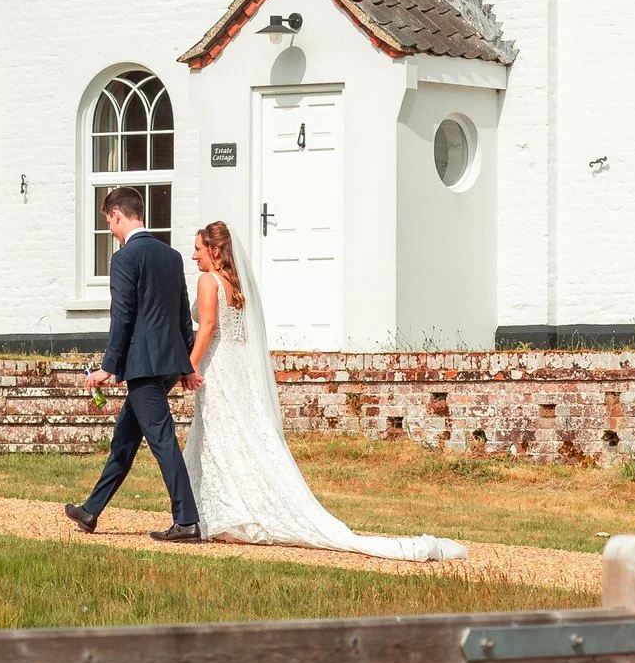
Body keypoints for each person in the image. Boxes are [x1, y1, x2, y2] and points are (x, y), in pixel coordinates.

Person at [180, 220, 464, 562]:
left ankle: (231, 511)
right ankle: (232, 508)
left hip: (220, 367)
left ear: (213, 250)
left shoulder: (208, 280)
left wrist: (191, 364)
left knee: (223, 436)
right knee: (239, 436)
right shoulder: (235, 283)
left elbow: (208, 325)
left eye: (198, 249)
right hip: (238, 370)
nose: (194, 256)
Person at [66, 186, 201, 541]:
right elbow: (182, 315)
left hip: (144, 365)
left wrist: (108, 367)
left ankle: (186, 521)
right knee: (125, 438)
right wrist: (185, 363)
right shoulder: (170, 256)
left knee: (162, 440)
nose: (110, 230)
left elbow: (122, 316)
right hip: (168, 362)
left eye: (110, 222)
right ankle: (91, 511)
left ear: (118, 216)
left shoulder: (125, 258)